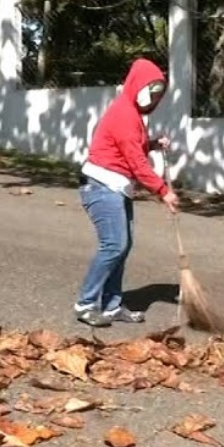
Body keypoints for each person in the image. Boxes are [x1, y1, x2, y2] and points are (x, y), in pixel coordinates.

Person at [73, 57, 180, 328]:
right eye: (151, 92)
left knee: (122, 246)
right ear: (137, 86)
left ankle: (111, 306)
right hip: (101, 186)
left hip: (116, 187)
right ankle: (86, 304)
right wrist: (163, 191)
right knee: (114, 245)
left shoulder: (132, 113)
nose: (154, 99)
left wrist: (152, 143)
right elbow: (137, 163)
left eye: (158, 94)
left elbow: (131, 148)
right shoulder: (124, 115)